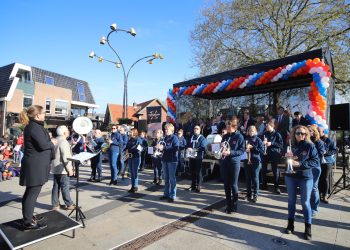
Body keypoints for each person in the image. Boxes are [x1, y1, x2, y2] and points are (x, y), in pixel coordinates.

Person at [19, 105, 55, 231]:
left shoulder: (34, 126)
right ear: (38, 115)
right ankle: (28, 223)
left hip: (36, 164)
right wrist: (52, 142)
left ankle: (29, 217)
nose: (45, 115)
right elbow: (43, 145)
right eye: (43, 113)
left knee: (31, 193)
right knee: (32, 194)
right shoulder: (34, 127)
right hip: (35, 166)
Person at [284, 125, 319, 240]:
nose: (300, 135)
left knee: (305, 203)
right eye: (298, 133)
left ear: (306, 135)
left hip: (305, 177)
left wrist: (300, 165)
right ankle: (290, 225)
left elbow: (315, 161)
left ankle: (308, 228)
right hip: (291, 176)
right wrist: (285, 156)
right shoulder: (290, 145)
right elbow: (284, 158)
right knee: (291, 201)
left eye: (303, 134)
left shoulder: (310, 146)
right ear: (294, 134)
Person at [220, 119, 245, 213]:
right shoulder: (225, 136)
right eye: (226, 126)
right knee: (226, 184)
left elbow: (241, 150)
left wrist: (230, 152)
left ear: (234, 127)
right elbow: (222, 148)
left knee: (233, 184)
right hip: (225, 162)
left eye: (228, 127)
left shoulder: (239, 136)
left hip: (234, 162)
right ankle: (228, 205)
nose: (227, 128)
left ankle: (234, 205)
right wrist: (221, 146)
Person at [51, 125, 75, 211]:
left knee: (56, 186)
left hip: (55, 167)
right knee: (65, 186)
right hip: (62, 168)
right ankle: (69, 204)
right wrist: (70, 169)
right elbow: (66, 157)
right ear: (64, 132)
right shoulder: (64, 142)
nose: (68, 132)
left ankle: (55, 205)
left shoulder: (55, 140)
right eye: (68, 131)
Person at [261, 121, 284, 194]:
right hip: (265, 153)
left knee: (275, 170)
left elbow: (281, 145)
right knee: (263, 169)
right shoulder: (264, 133)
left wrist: (271, 143)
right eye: (266, 126)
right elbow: (261, 142)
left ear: (272, 126)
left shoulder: (277, 134)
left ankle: (276, 186)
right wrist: (263, 143)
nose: (266, 127)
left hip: (274, 153)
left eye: (268, 126)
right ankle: (264, 184)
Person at [244, 126, 264, 203]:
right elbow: (242, 148)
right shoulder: (246, 139)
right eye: (249, 130)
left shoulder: (258, 140)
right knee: (248, 178)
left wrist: (252, 147)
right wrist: (244, 148)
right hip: (246, 160)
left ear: (255, 131)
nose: (251, 132)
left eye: (252, 131)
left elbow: (262, 151)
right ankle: (249, 194)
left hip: (255, 161)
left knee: (255, 178)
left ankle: (256, 194)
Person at [308, 125, 325, 216]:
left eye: (310, 131)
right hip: (306, 167)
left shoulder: (319, 142)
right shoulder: (306, 141)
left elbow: (320, 154)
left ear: (314, 132)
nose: (308, 132)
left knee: (314, 187)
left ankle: (314, 209)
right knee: (307, 188)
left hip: (315, 167)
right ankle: (308, 207)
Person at [159, 123, 179, 202]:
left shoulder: (175, 138)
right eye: (165, 129)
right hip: (164, 160)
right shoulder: (164, 138)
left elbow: (175, 149)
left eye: (167, 129)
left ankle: (173, 195)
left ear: (172, 130)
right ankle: (166, 194)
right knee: (166, 178)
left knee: (172, 179)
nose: (165, 131)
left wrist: (164, 147)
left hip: (172, 160)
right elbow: (161, 147)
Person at [318, 127, 336, 203]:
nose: (317, 132)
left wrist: (326, 153)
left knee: (325, 178)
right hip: (318, 161)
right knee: (318, 178)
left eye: (319, 131)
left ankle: (325, 195)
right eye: (317, 131)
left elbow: (334, 150)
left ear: (323, 132)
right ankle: (318, 195)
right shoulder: (315, 140)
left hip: (327, 161)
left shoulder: (329, 140)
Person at [187, 125, 207, 192]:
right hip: (191, 157)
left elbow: (203, 147)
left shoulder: (202, 138)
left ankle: (198, 186)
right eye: (194, 128)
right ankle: (193, 185)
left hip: (198, 157)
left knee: (198, 172)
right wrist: (188, 148)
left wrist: (194, 149)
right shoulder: (192, 136)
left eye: (197, 129)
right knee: (192, 172)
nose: (195, 130)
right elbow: (188, 144)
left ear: (200, 130)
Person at [125, 128, 143, 193]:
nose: (130, 133)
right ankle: (132, 186)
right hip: (130, 157)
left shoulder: (138, 139)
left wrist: (130, 150)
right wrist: (126, 150)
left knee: (135, 172)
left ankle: (135, 186)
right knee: (131, 173)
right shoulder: (130, 139)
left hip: (136, 157)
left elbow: (140, 148)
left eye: (131, 132)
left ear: (135, 132)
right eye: (130, 132)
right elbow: (127, 147)